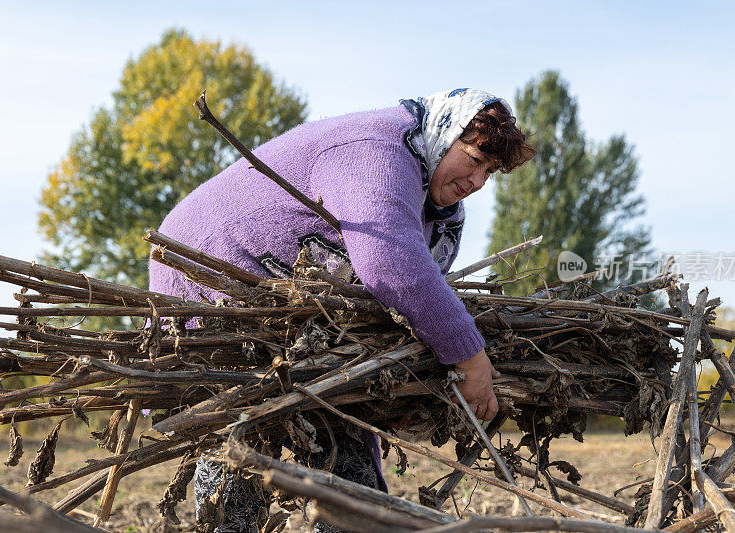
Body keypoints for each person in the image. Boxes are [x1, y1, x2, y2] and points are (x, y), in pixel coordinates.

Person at [149, 88, 535, 532]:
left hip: (305, 318)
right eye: (474, 158)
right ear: (445, 134)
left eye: (490, 171)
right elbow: (389, 262)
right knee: (240, 437)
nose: (479, 180)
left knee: (343, 441)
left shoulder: (443, 212)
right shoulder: (377, 150)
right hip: (213, 278)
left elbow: (403, 308)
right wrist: (469, 356)